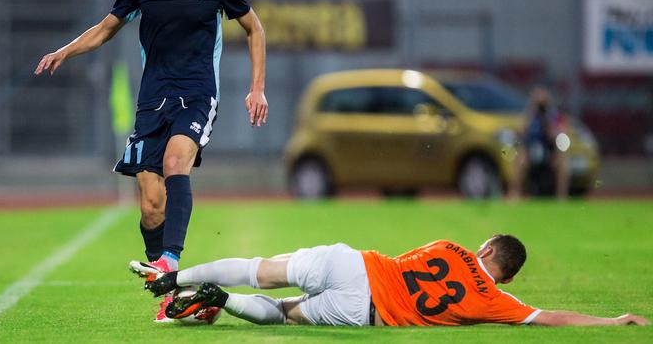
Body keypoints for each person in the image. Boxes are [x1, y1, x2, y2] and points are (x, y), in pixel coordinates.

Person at [35, 0, 268, 322]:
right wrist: (66, 50)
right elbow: (106, 28)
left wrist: (256, 88)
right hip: (152, 102)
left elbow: (255, 29)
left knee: (177, 160)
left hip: (196, 96)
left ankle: (170, 263)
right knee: (150, 208)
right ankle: (179, 293)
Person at [130, 235, 648, 327]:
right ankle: (226, 304)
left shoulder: (449, 247)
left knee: (259, 268)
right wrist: (610, 318)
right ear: (507, 273)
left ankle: (174, 276)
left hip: (357, 264)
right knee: (286, 315)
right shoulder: (495, 301)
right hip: (366, 311)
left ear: (485, 249)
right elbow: (552, 317)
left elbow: (405, 262)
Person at [509, 86, 569, 200]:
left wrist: (548, 123)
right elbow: (520, 132)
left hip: (549, 151)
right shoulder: (528, 115)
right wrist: (531, 116)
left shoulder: (554, 116)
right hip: (531, 150)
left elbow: (559, 135)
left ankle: (561, 196)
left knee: (562, 161)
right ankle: (514, 193)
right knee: (519, 159)